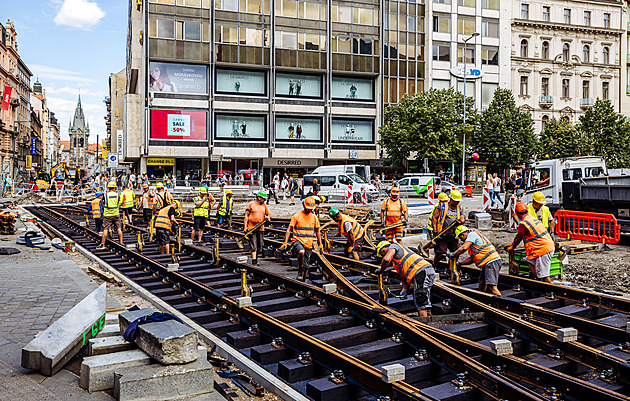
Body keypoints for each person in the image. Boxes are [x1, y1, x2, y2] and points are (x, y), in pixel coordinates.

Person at [375, 241, 435, 318]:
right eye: (382, 254)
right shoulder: (397, 263)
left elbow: (386, 260)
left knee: (421, 299)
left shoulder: (393, 246)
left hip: (421, 271)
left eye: (383, 251)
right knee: (420, 297)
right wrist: (404, 290)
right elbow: (404, 277)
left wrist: (381, 270)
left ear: (387, 246)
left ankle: (423, 325)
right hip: (424, 271)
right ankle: (423, 321)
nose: (385, 253)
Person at [506, 202, 555, 283]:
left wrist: (512, 247)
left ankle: (550, 291)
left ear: (517, 214)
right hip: (544, 246)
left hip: (543, 249)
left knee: (545, 276)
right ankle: (538, 279)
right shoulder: (530, 218)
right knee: (529, 260)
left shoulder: (524, 223)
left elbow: (518, 238)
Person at [448, 225, 502, 296]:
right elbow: (472, 259)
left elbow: (463, 248)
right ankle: (481, 298)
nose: (461, 240)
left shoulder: (472, 234)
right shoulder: (473, 243)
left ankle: (502, 303)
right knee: (482, 282)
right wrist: (460, 263)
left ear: (463, 234)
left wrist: (454, 254)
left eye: (460, 237)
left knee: (492, 286)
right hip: (488, 262)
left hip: (491, 261)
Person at [280, 197, 323, 281]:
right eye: (308, 208)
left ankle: (302, 281)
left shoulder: (314, 218)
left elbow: (318, 231)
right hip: (297, 240)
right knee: (301, 252)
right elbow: (289, 229)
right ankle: (300, 268)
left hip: (309, 243)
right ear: (304, 205)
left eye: (311, 209)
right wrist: (285, 242)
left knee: (306, 266)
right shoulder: (297, 216)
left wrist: (320, 244)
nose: (310, 210)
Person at [431, 189, 466, 266]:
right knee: (440, 253)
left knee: (455, 253)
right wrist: (435, 230)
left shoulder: (459, 208)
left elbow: (462, 216)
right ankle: (434, 266)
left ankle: (450, 269)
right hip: (442, 235)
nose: (457, 202)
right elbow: (434, 217)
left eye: (458, 201)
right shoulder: (442, 206)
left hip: (454, 235)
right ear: (451, 199)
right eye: (455, 201)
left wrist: (462, 220)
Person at [244, 190, 271, 266]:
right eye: (263, 198)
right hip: (251, 228)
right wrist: (245, 226)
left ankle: (256, 258)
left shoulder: (264, 205)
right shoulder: (251, 204)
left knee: (260, 245)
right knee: (254, 245)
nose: (264, 200)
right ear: (259, 198)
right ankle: (254, 261)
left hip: (260, 228)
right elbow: (246, 216)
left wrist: (268, 217)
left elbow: (268, 214)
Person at [98, 182, 123, 249]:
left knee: (105, 229)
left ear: (108, 188)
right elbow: (119, 203)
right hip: (116, 213)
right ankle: (121, 242)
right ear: (114, 188)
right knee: (118, 228)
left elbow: (102, 203)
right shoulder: (118, 195)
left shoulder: (105, 195)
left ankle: (103, 244)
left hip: (107, 214)